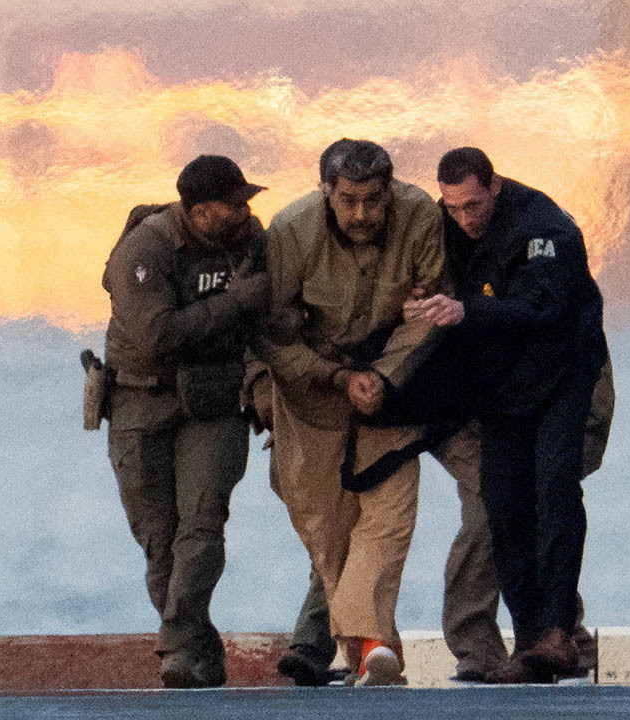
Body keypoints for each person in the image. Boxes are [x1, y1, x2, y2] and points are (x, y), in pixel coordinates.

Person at [401, 147, 609, 683]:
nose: (465, 219)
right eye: (454, 208)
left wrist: (466, 311)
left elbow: (546, 307)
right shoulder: (443, 225)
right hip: (500, 386)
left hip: (562, 373)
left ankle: (559, 630)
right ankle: (530, 639)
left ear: (493, 187)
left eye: (474, 204)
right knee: (502, 504)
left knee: (555, 489)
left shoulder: (544, 226)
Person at [253, 138, 446, 686]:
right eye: (348, 200)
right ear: (326, 194)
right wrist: (336, 377)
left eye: (373, 200)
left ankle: (374, 647)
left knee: (390, 515)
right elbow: (270, 334)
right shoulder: (290, 232)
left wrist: (385, 375)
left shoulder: (420, 217)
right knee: (328, 526)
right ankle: (364, 645)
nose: (362, 214)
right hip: (312, 391)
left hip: (392, 387)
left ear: (390, 193)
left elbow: (432, 305)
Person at [101, 155, 269, 688]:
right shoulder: (146, 249)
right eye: (232, 204)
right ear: (196, 212)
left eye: (246, 201)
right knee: (158, 536)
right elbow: (155, 337)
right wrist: (233, 301)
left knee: (201, 526)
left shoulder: (249, 240)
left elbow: (268, 316)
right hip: (140, 401)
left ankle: (176, 646)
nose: (244, 211)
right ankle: (197, 645)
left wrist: (263, 382)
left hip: (214, 402)